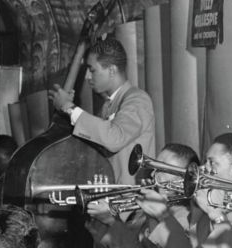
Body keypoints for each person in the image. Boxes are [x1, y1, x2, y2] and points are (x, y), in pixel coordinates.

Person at [84, 143, 199, 248]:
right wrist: (99, 220)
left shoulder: (183, 219)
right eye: (154, 167)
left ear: (184, 179)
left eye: (162, 169)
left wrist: (111, 222)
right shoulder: (150, 205)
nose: (153, 174)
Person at [49, 38, 156, 186]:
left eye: (92, 70)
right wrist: (67, 112)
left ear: (112, 70)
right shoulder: (108, 105)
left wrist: (69, 107)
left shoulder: (138, 100)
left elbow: (113, 138)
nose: (87, 77)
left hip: (131, 202)